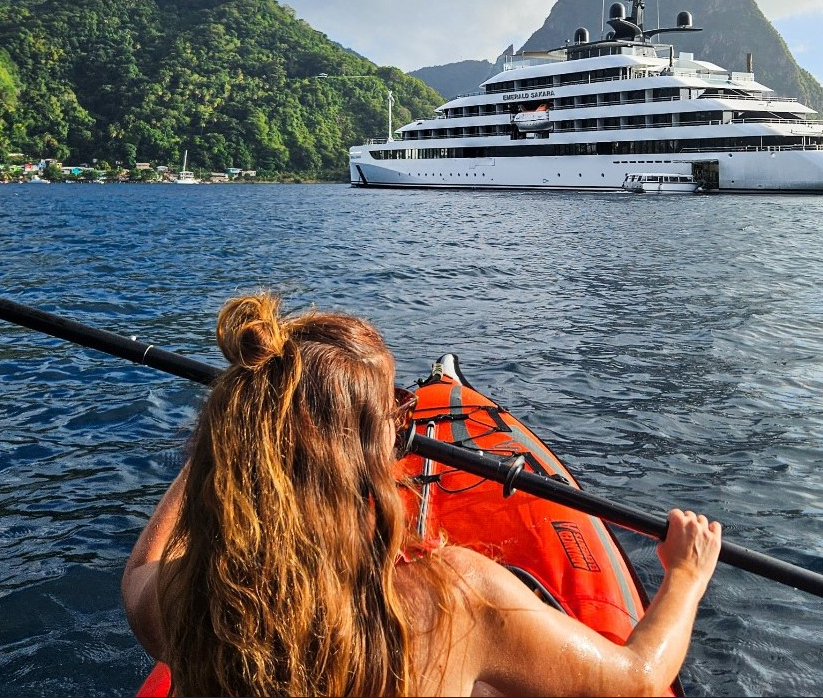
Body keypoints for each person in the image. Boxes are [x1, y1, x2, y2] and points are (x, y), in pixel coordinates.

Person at [122, 292, 722, 697]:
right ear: (360, 448)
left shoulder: (191, 599)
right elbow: (639, 678)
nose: (407, 419)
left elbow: (140, 571)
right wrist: (686, 577)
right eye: (397, 407)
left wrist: (228, 443)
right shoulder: (458, 596)